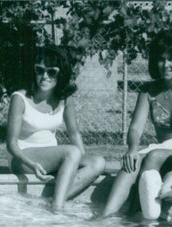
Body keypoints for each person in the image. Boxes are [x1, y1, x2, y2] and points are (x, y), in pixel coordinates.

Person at [101, 29, 172, 217]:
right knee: (131, 162)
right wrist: (131, 148)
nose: (166, 65)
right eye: (161, 59)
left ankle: (142, 214)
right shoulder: (149, 91)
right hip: (164, 148)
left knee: (153, 156)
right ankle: (106, 216)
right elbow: (135, 128)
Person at [6, 45, 106, 210]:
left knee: (98, 162)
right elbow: (11, 144)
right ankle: (57, 210)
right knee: (72, 152)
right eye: (40, 70)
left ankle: (52, 201)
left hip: (52, 158)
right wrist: (32, 164)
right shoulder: (20, 98)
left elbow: (74, 134)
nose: (45, 76)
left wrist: (80, 162)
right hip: (23, 158)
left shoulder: (64, 99)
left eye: (51, 72)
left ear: (61, 74)